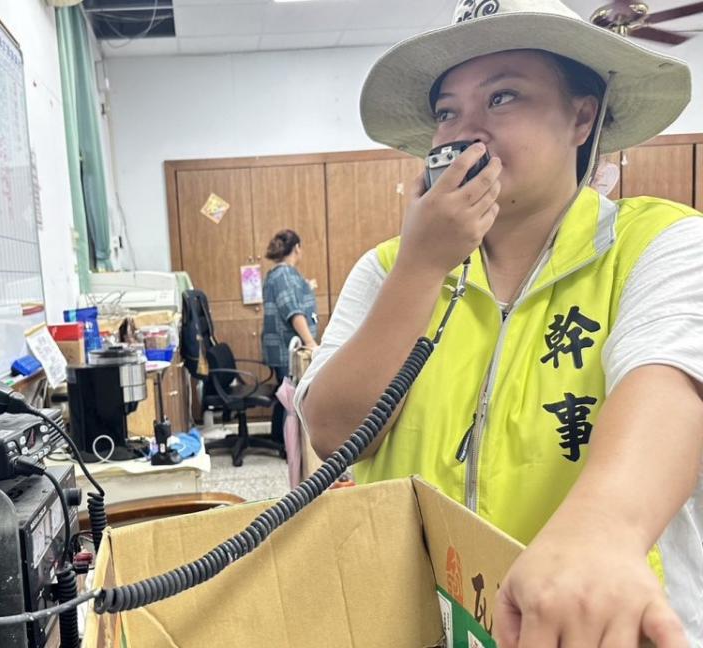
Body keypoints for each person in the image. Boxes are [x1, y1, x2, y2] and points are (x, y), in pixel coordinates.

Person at [296, 0, 703, 646]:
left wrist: (604, 529)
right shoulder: (386, 270)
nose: (464, 132)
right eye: (447, 111)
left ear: (581, 117)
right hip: (421, 625)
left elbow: (672, 383)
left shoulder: (663, 244)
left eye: (503, 98)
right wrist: (423, 266)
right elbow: (334, 429)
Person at [262, 229, 318, 442]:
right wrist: (311, 342)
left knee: (284, 393)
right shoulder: (284, 274)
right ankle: (287, 442)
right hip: (287, 347)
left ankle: (279, 438)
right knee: (291, 396)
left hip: (282, 347)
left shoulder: (279, 273)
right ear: (296, 248)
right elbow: (293, 312)